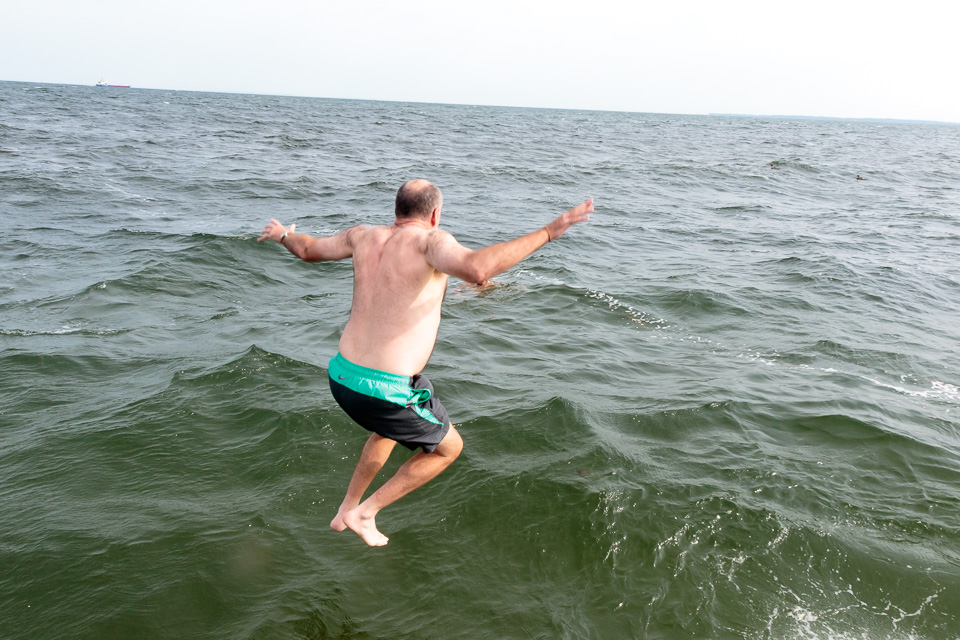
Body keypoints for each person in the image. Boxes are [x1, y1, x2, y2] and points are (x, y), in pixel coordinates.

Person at [258, 179, 592, 546]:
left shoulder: (362, 235)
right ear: (435, 215)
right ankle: (365, 513)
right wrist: (549, 231)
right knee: (449, 449)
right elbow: (477, 269)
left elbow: (307, 249)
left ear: (397, 209)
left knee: (388, 429)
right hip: (383, 390)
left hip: (340, 377)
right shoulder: (430, 242)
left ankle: (346, 509)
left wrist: (282, 235)